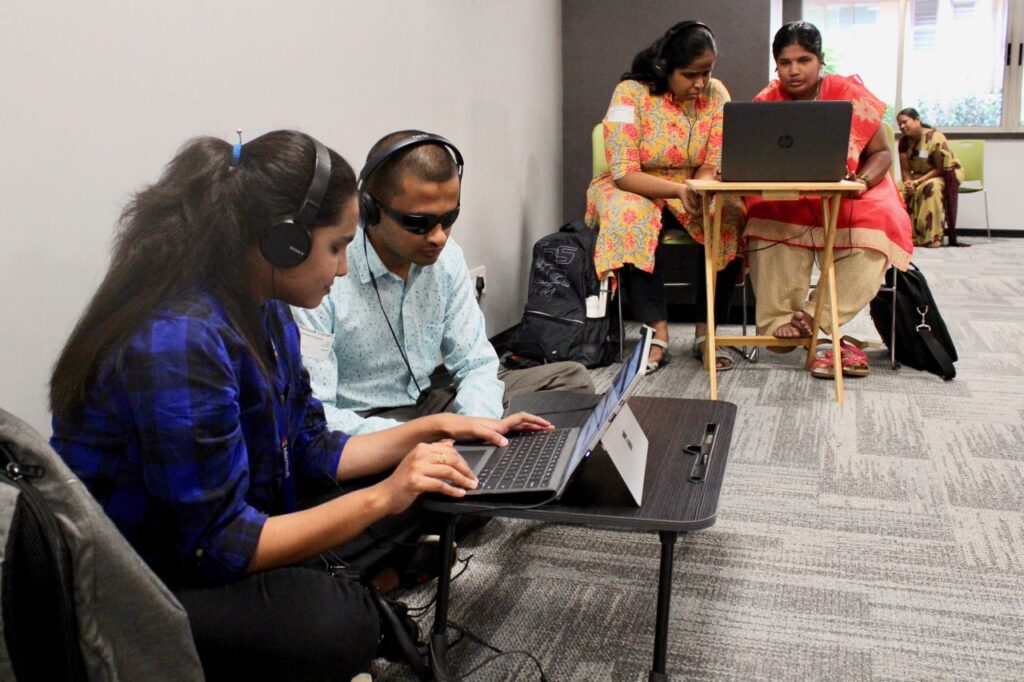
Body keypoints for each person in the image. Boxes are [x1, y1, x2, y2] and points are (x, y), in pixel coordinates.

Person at [48, 130, 552, 681]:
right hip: (150, 577)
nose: (341, 268)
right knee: (337, 626)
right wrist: (385, 495)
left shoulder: (263, 309)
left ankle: (349, 578)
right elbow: (216, 544)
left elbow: (313, 444)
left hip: (233, 528)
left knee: (437, 485)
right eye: (335, 246)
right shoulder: (179, 342)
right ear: (282, 243)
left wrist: (431, 429)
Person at [293, 130, 594, 436]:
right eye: (418, 222)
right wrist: (426, 434)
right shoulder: (325, 274)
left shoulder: (447, 259)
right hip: (362, 423)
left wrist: (477, 424)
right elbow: (318, 412)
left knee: (571, 379)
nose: (438, 236)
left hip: (429, 404)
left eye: (449, 218)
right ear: (370, 209)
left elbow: (475, 363)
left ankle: (488, 465)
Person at [743, 21, 913, 379]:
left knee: (879, 225)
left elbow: (882, 153)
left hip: (856, 187)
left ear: (820, 60)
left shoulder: (850, 93)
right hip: (791, 191)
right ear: (776, 65)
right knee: (762, 216)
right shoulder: (766, 102)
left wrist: (862, 181)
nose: (794, 70)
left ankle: (812, 317)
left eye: (803, 60)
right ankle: (781, 323)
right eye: (785, 62)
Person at [585, 20, 746, 375]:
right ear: (665, 68)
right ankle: (655, 335)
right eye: (691, 75)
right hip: (634, 184)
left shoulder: (717, 94)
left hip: (692, 185)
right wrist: (677, 190)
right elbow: (625, 173)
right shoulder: (629, 93)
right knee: (631, 216)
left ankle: (708, 333)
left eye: (706, 73)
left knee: (729, 213)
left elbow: (715, 159)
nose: (700, 84)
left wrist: (701, 188)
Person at [896, 107, 964, 247]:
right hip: (918, 176)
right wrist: (909, 183)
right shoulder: (903, 143)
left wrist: (917, 182)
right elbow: (905, 170)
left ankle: (932, 238)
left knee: (930, 187)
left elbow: (940, 169)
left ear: (917, 120)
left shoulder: (935, 137)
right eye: (899, 125)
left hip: (945, 174)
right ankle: (906, 235)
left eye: (905, 122)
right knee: (895, 189)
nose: (902, 127)